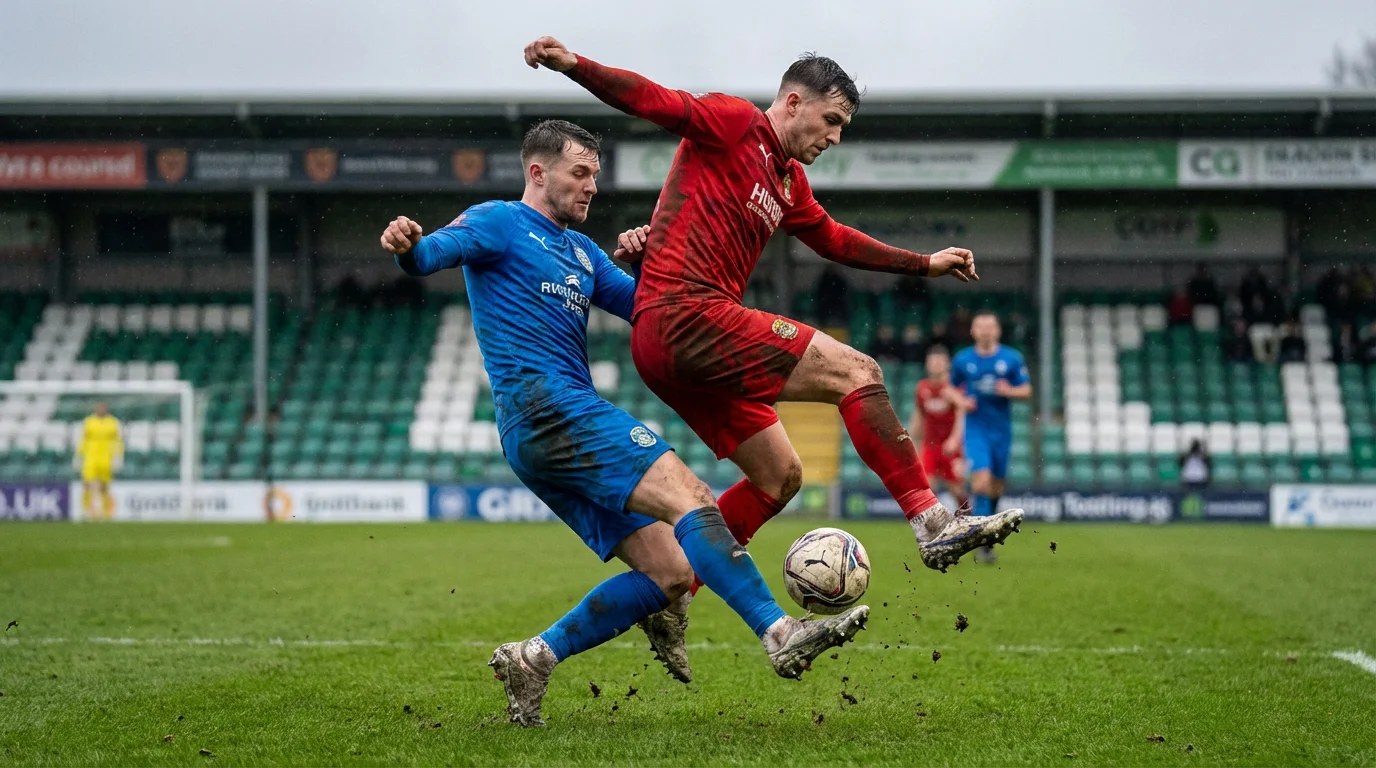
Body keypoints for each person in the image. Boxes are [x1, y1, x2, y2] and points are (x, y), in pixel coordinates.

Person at [525, 37, 1022, 676]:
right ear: (793, 102)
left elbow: (834, 239)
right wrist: (576, 67)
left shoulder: (786, 181)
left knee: (780, 476)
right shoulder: (735, 125)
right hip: (687, 314)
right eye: (833, 121)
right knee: (858, 372)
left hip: (671, 343)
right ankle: (930, 523)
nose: (836, 138)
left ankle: (671, 595)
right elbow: (654, 100)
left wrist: (922, 262)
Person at [380, 120, 866, 727]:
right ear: (538, 172)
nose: (590, 187)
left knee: (669, 572)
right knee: (691, 497)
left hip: (543, 431)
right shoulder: (499, 222)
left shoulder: (582, 253)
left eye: (594, 176)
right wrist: (408, 246)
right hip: (548, 408)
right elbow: (430, 255)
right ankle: (779, 631)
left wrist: (653, 258)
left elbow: (652, 310)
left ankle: (534, 657)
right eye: (579, 174)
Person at [951, 313, 1032, 563]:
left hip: (1001, 431)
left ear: (998, 331)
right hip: (976, 430)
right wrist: (962, 400)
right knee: (981, 482)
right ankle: (983, 541)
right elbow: (951, 389)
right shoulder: (963, 359)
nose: (985, 331)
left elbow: (1027, 390)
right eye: (981, 327)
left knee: (996, 486)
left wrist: (1009, 391)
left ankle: (988, 525)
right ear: (973, 331)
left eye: (990, 327)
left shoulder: (1011, 358)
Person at [911, 346, 968, 512]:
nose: (935, 365)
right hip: (930, 444)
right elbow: (920, 415)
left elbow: (961, 413)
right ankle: (931, 528)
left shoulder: (953, 388)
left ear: (947, 365)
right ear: (927, 365)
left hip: (950, 446)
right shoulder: (922, 388)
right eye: (932, 362)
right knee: (927, 488)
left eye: (939, 362)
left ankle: (968, 518)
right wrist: (913, 438)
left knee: (956, 489)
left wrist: (955, 440)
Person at [75, 401, 123, 520]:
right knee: (87, 485)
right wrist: (78, 455)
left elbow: (118, 441)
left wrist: (118, 456)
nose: (101, 410)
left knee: (105, 487)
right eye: (99, 408)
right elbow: (83, 440)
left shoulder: (113, 423)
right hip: (90, 458)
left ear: (106, 409)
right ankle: (86, 511)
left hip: (106, 458)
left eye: (103, 408)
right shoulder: (89, 422)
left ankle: (106, 513)